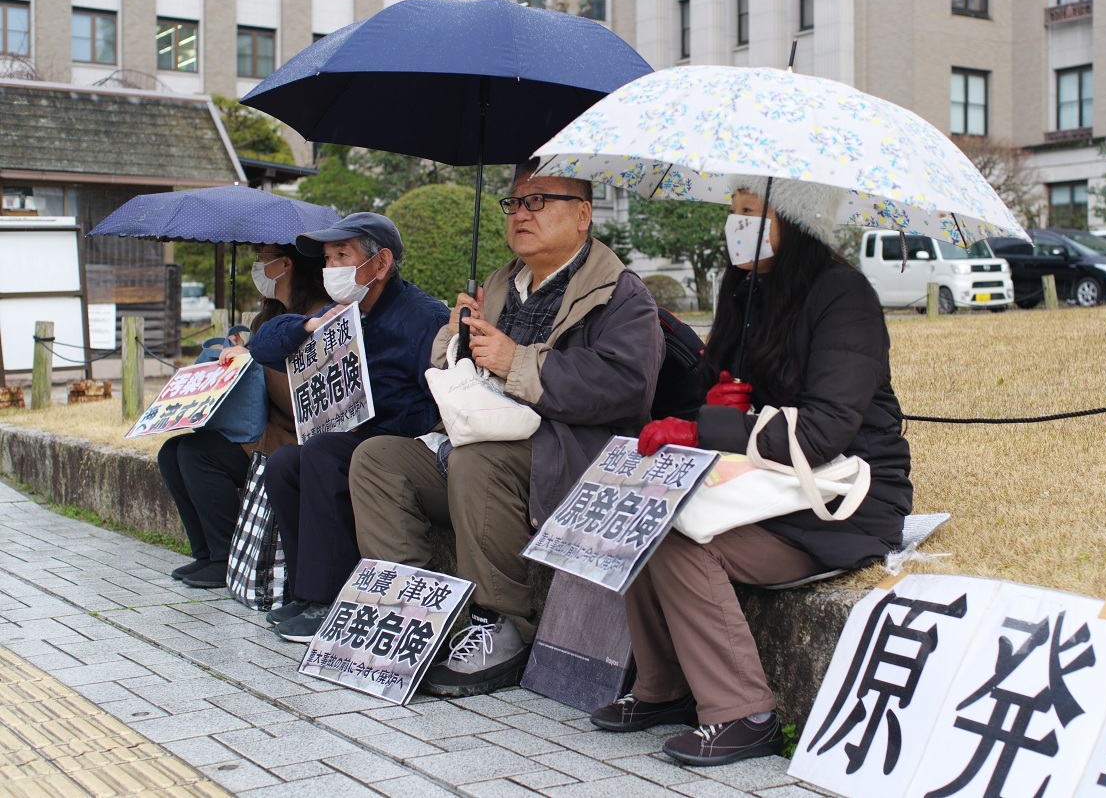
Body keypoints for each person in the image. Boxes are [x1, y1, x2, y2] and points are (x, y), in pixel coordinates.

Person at [589, 177, 913, 767]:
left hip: (838, 502)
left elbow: (820, 435)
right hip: (766, 486)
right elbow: (724, 404)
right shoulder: (745, 290)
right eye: (734, 212)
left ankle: (744, 712)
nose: (737, 225)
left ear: (798, 220)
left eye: (751, 212)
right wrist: (712, 399)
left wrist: (713, 426)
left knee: (684, 543)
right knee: (646, 514)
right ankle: (662, 688)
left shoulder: (844, 297)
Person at [349, 159, 664, 697]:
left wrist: (517, 361)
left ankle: (503, 624)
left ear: (583, 213)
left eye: (538, 201)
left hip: (568, 457)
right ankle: (417, 610)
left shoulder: (619, 292)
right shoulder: (498, 284)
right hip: (479, 448)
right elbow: (463, 378)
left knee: (480, 461)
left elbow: (625, 386)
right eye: (515, 202)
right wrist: (453, 341)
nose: (521, 214)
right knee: (377, 459)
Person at [249, 213, 450, 642]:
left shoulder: (423, 316)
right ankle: (305, 590)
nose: (331, 268)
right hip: (348, 439)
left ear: (380, 264)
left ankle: (330, 597)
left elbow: (438, 400)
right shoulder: (340, 313)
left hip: (401, 444)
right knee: (285, 461)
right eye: (327, 258)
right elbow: (261, 347)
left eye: (343, 255)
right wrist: (307, 326)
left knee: (323, 452)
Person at [160, 243, 328, 588]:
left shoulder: (319, 317)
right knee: (171, 451)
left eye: (262, 257)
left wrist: (252, 359)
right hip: (255, 429)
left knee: (197, 454)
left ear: (286, 263)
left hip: (288, 437)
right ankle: (205, 553)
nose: (257, 265)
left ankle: (225, 558)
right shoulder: (264, 317)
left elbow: (304, 399)